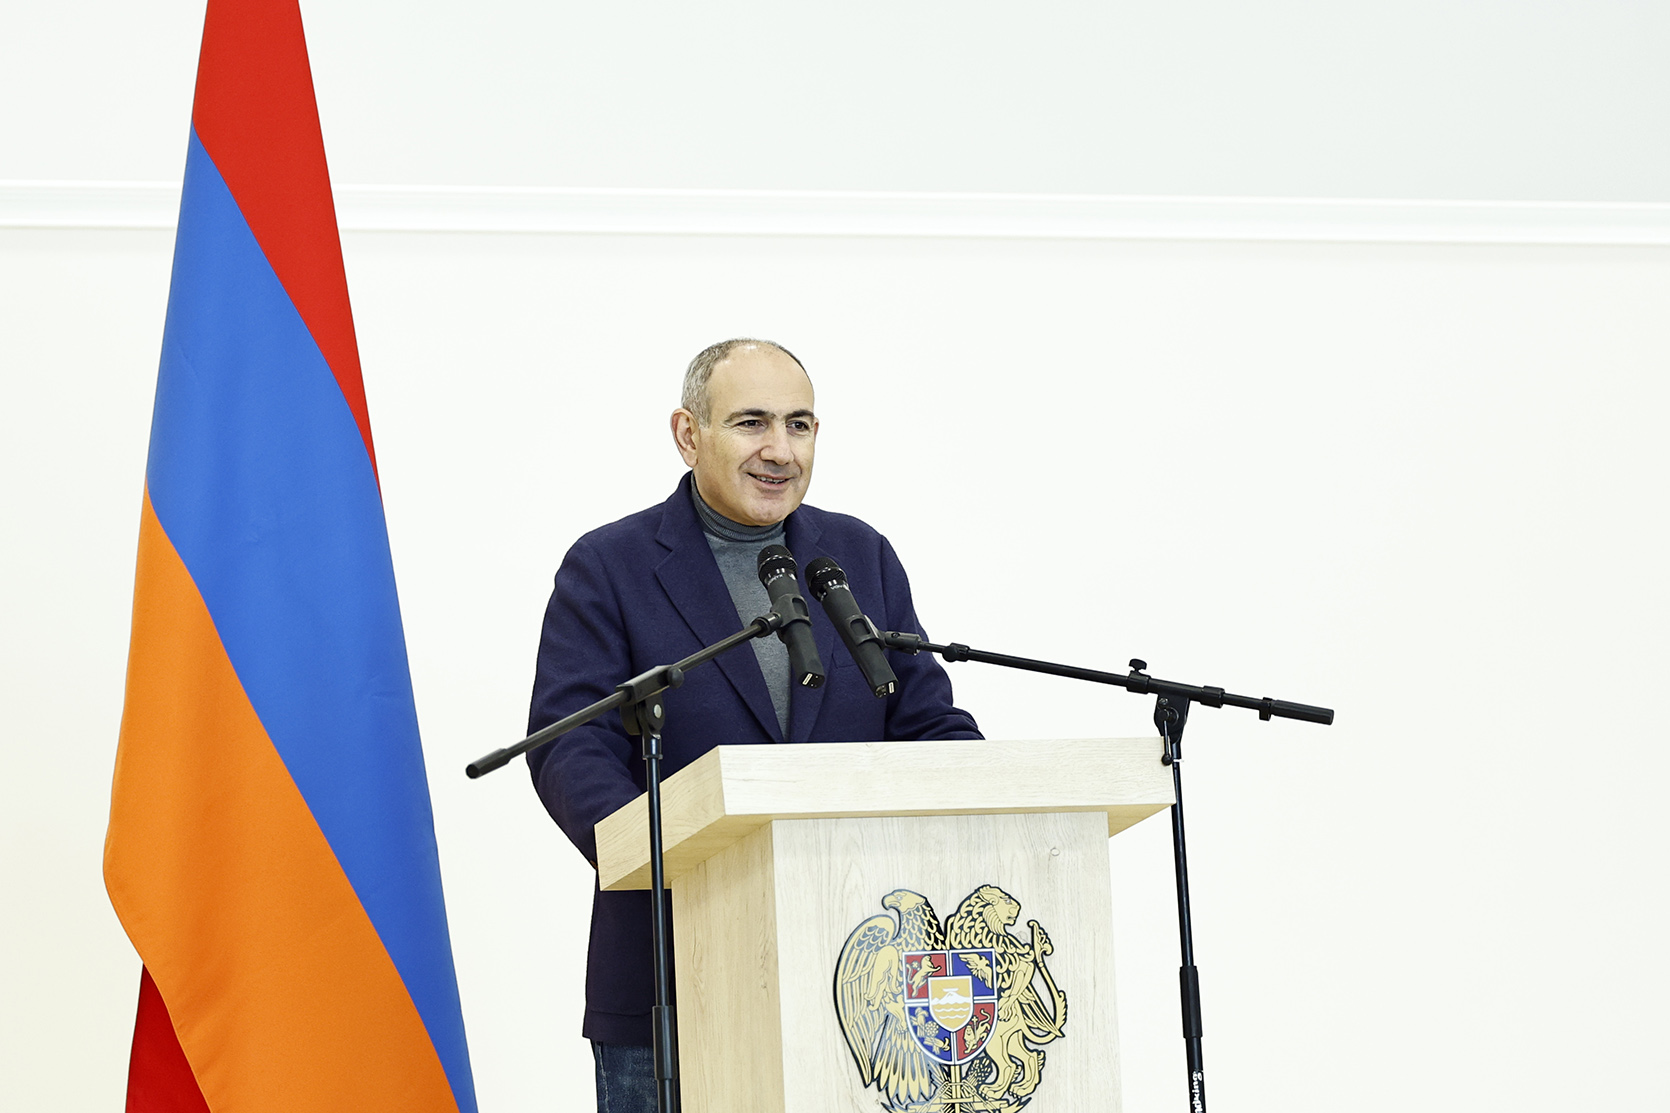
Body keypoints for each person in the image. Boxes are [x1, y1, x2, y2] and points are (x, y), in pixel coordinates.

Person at [527, 338, 981, 1112]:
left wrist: (986, 792)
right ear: (688, 433)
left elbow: (927, 721)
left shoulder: (859, 556)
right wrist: (674, 853)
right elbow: (571, 743)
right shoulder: (610, 565)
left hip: (858, 981)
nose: (780, 449)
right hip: (674, 976)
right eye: (752, 422)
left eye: (799, 425)